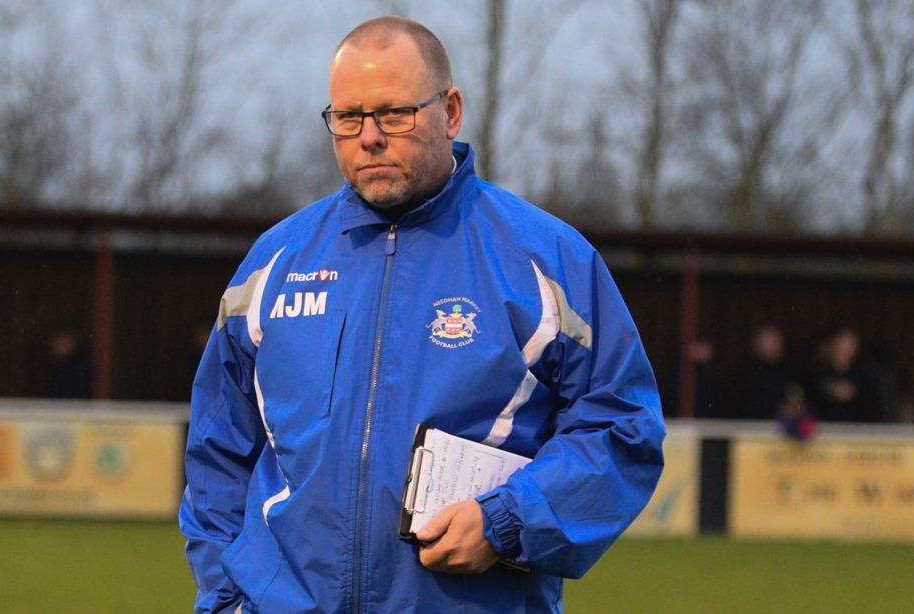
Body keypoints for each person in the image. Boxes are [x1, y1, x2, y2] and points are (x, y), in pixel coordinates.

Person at [179, 16, 665, 614]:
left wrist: (506, 522)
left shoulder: (546, 259)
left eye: (394, 113)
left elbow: (622, 427)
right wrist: (225, 597)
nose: (370, 137)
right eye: (348, 118)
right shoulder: (274, 264)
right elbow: (217, 446)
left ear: (451, 111)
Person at [728, 324, 798, 420]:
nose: (774, 346)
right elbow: (739, 406)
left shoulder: (789, 372)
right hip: (752, 429)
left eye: (777, 341)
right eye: (769, 342)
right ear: (757, 344)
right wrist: (774, 410)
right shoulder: (744, 374)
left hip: (785, 431)